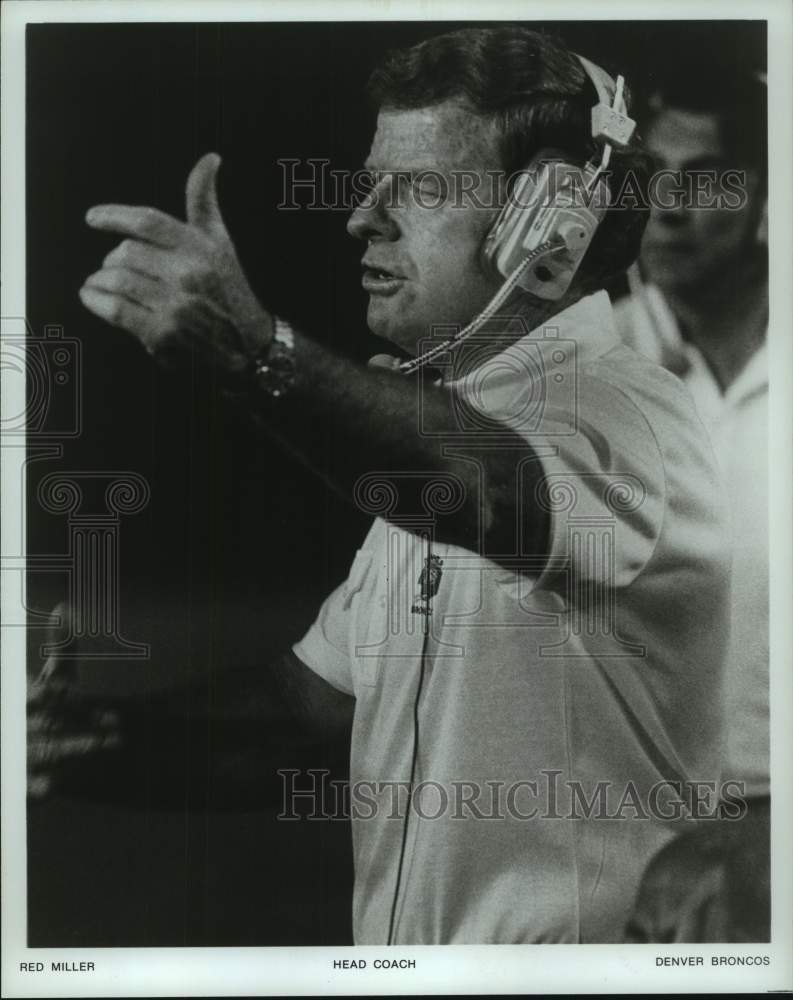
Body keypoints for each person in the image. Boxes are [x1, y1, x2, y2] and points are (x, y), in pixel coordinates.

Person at [29, 27, 732, 944]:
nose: (362, 217)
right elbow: (303, 713)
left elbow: (485, 493)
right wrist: (68, 745)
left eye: (418, 186)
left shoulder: (625, 409)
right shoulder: (441, 427)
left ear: (548, 222)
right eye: (371, 182)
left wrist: (256, 356)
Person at [613, 65, 769, 942]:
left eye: (703, 181)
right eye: (648, 181)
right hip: (622, 829)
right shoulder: (595, 365)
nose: (666, 210)